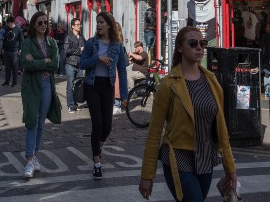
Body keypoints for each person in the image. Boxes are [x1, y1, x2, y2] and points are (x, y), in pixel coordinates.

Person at [139, 27, 236, 202]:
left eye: (202, 43)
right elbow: (154, 133)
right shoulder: (169, 86)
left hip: (206, 158)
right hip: (178, 159)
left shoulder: (212, 82)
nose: (199, 48)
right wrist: (147, 175)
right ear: (180, 48)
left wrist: (230, 169)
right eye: (193, 43)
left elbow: (221, 129)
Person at [78, 11, 128, 179]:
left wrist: (124, 95)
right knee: (97, 124)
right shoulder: (91, 43)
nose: (99, 25)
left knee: (107, 127)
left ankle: (98, 146)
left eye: (102, 22)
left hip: (107, 86)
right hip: (92, 85)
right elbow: (81, 63)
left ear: (109, 25)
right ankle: (97, 163)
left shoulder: (117, 46)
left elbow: (122, 69)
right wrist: (97, 58)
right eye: (97, 22)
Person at [21, 11, 62, 179]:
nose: (44, 25)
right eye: (40, 23)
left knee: (41, 123)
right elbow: (25, 64)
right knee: (32, 120)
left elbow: (55, 64)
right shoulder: (27, 43)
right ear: (33, 25)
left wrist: (37, 61)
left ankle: (35, 155)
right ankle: (29, 159)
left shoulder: (52, 42)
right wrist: (43, 61)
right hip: (31, 85)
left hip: (47, 86)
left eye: (46, 22)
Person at [64, 18, 85, 113]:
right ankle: (70, 105)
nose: (79, 26)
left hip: (80, 64)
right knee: (70, 86)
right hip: (71, 64)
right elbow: (67, 50)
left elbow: (85, 48)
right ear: (72, 26)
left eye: (80, 24)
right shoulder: (68, 37)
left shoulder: (81, 37)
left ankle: (75, 103)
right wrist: (79, 50)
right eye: (77, 24)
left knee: (78, 85)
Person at [1, 16, 23, 87]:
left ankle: (15, 81)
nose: (8, 25)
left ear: (13, 22)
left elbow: (21, 40)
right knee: (7, 67)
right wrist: (3, 48)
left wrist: (20, 49)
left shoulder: (18, 30)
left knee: (14, 67)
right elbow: (5, 39)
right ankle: (7, 81)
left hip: (14, 51)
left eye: (9, 23)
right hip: (7, 50)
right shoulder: (6, 29)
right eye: (7, 23)